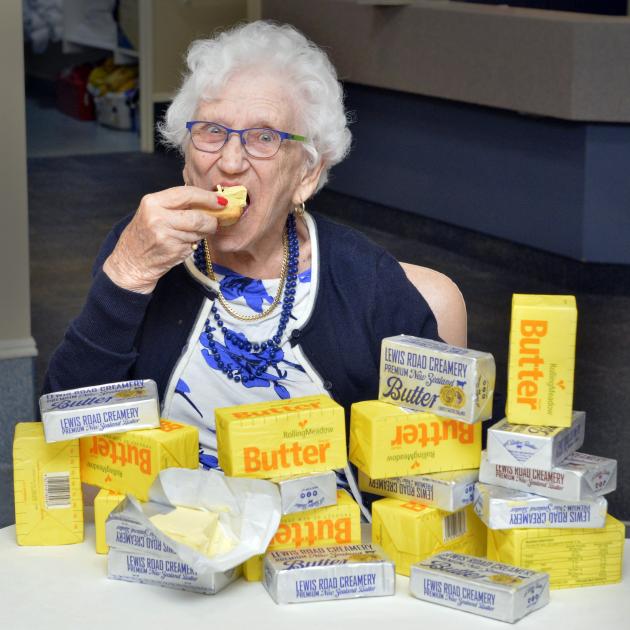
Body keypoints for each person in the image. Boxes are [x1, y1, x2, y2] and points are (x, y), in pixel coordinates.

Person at [43, 22, 456, 495]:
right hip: (172, 544)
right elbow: (63, 430)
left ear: (307, 172)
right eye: (212, 132)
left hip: (323, 554)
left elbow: (442, 460)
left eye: (264, 138)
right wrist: (128, 274)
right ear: (186, 160)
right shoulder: (140, 249)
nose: (232, 161)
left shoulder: (367, 282)